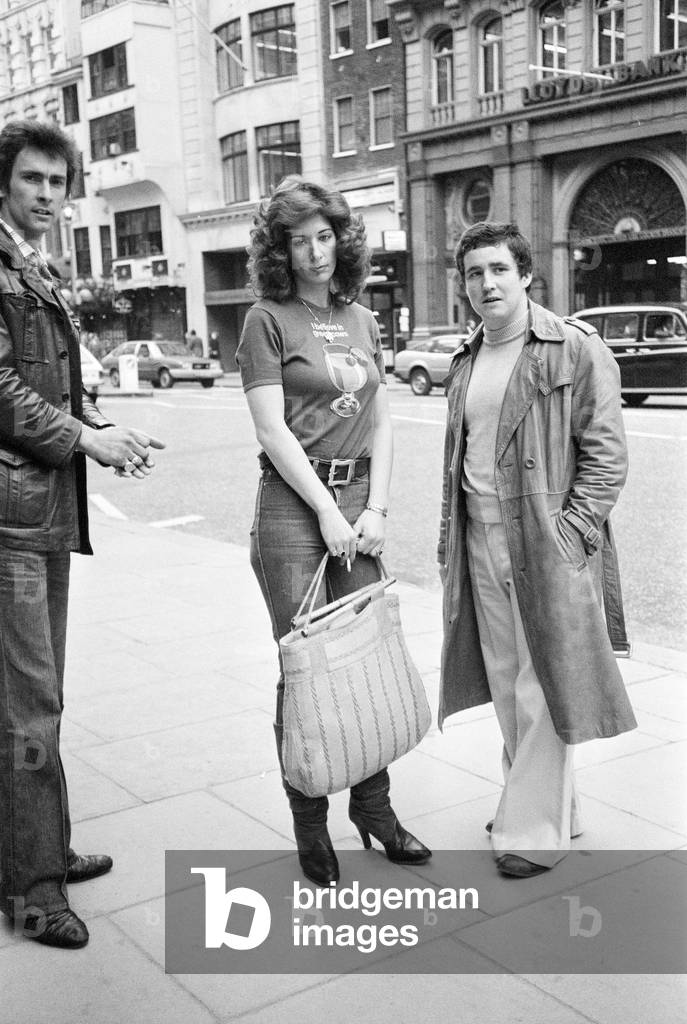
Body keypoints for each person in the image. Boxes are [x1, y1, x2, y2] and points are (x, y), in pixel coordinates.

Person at [237, 177, 431, 885]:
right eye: (299, 239)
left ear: (341, 240)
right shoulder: (266, 318)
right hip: (294, 502)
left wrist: (374, 508)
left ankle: (374, 809)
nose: (315, 251)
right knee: (307, 667)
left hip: (357, 493)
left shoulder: (361, 318)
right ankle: (310, 819)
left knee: (366, 655)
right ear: (279, 248)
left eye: (325, 235)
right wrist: (326, 509)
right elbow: (269, 427)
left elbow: (380, 417)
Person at [0, 120, 165, 949]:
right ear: (5, 182)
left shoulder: (35, 269)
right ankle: (32, 890)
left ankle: (41, 852)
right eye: (32, 179)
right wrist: (83, 439)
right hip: (9, 522)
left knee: (41, 698)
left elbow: (50, 381)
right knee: (28, 707)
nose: (45, 194)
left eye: (57, 183)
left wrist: (103, 423)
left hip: (38, 510)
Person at [438, 222, 636, 878]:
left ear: (524, 275)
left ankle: (529, 829)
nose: (485, 283)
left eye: (497, 269)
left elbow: (606, 456)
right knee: (504, 681)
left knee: (542, 683)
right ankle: (555, 808)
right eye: (473, 273)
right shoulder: (465, 360)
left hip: (544, 545)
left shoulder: (572, 347)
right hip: (480, 542)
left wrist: (571, 534)